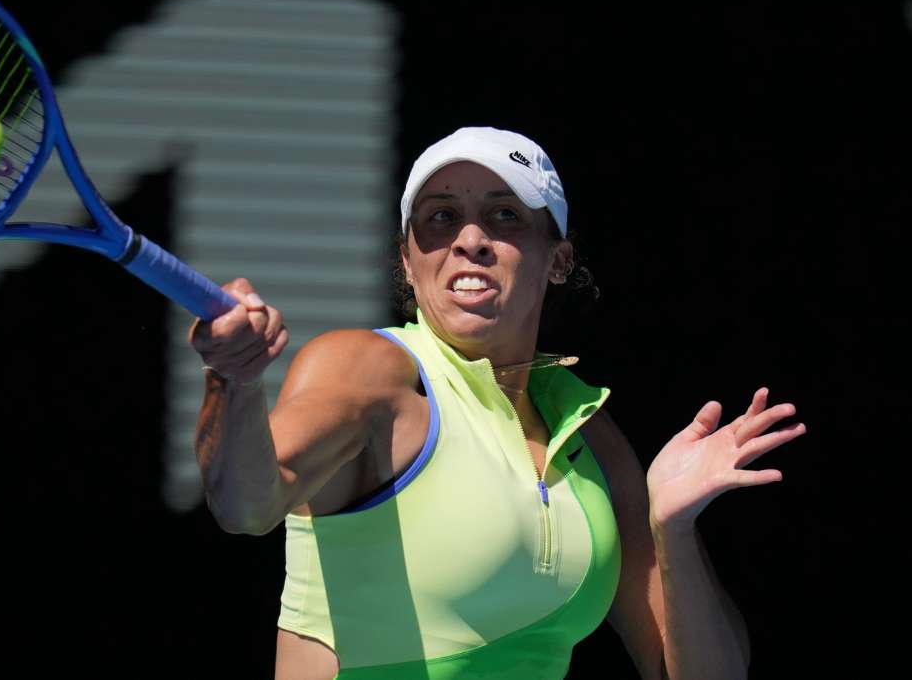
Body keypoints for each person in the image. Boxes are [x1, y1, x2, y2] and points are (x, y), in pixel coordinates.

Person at [188, 127, 806, 680]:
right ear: (408, 261)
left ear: (557, 260)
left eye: (505, 215)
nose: (470, 240)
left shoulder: (589, 432)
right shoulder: (370, 369)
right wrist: (233, 382)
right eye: (440, 217)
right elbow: (246, 504)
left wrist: (669, 529)